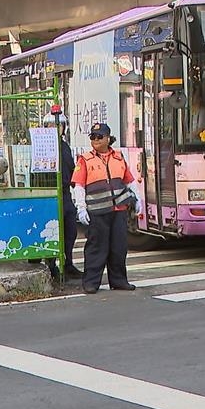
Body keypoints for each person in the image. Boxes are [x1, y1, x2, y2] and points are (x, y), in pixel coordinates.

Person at [71, 122, 141, 294]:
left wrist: (138, 199)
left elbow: (129, 180)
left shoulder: (119, 157)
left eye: (99, 137)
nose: (95, 140)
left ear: (108, 139)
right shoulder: (85, 160)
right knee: (96, 248)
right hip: (97, 212)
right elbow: (78, 186)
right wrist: (81, 208)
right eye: (92, 137)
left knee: (118, 247)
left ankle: (118, 281)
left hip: (118, 211)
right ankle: (91, 283)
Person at [42, 108, 84, 279]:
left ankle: (68, 263)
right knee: (52, 230)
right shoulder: (42, 147)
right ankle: (51, 265)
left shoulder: (65, 146)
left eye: (59, 125)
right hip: (49, 193)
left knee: (70, 230)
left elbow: (71, 169)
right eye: (51, 125)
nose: (55, 128)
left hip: (66, 193)